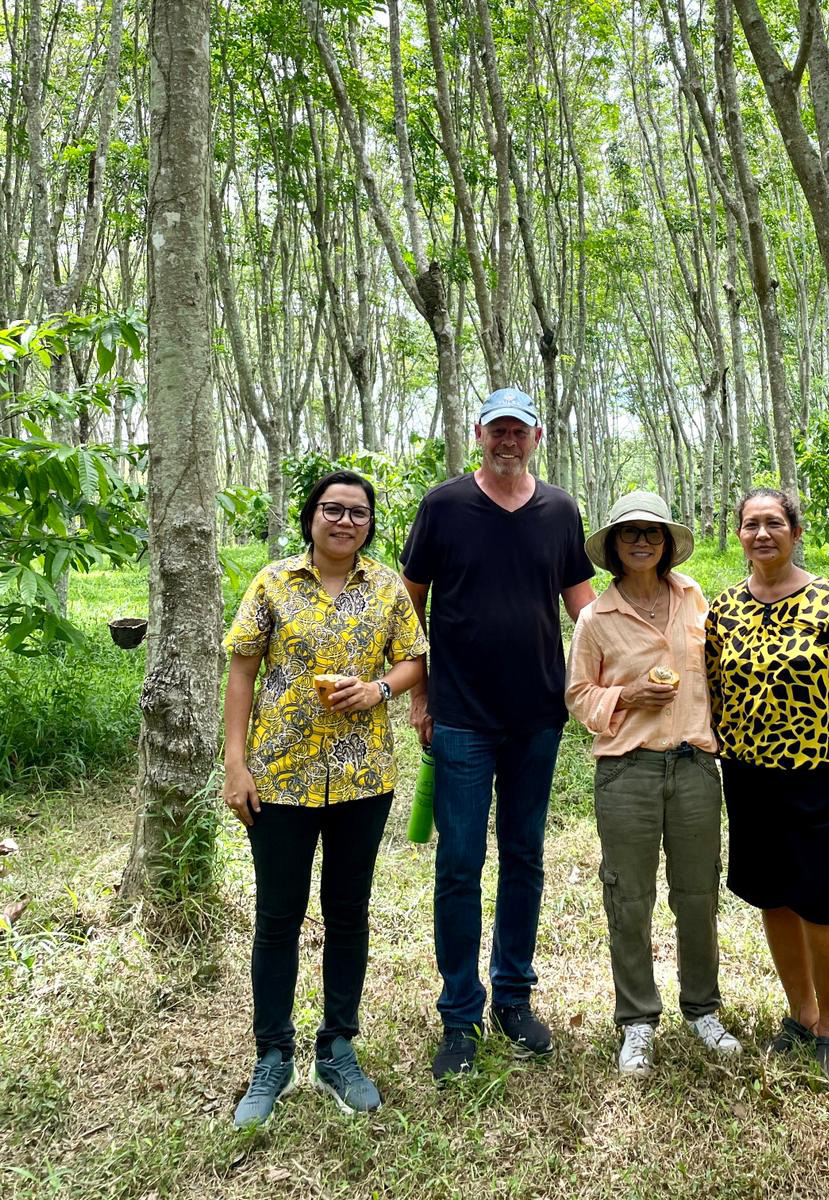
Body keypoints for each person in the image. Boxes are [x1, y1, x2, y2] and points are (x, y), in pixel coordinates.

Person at [401, 387, 596, 1083]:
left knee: (524, 855)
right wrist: (419, 694)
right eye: (496, 430)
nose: (507, 440)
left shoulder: (561, 510)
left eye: (519, 430)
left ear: (536, 437)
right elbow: (406, 607)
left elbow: (585, 608)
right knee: (458, 864)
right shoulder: (444, 505)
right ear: (477, 434)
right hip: (458, 715)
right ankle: (459, 1013)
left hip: (537, 714)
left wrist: (646, 637)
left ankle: (513, 997)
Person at [222, 470, 427, 1128]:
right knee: (277, 918)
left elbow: (415, 659)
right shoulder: (273, 583)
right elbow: (243, 668)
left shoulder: (387, 586)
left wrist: (378, 691)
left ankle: (337, 1047)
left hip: (362, 781)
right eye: (332, 510)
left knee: (348, 913)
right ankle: (273, 1056)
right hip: (278, 777)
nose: (345, 521)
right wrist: (234, 762)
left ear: (370, 524)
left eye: (358, 513)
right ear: (311, 517)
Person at [704, 488, 829, 1085]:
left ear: (794, 531)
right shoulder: (724, 610)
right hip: (749, 778)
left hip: (821, 775)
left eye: (774, 523)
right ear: (738, 535)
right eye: (751, 525)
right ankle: (801, 1014)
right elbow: (712, 690)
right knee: (775, 896)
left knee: (826, 902)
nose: (762, 534)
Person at [566, 492, 741, 1076]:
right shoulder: (597, 618)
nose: (642, 541)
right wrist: (629, 696)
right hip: (628, 770)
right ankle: (637, 1020)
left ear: (666, 543)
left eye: (652, 533)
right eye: (629, 533)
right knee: (629, 897)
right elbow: (578, 697)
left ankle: (702, 1009)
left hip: (694, 765)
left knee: (697, 894)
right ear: (613, 547)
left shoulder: (695, 599)